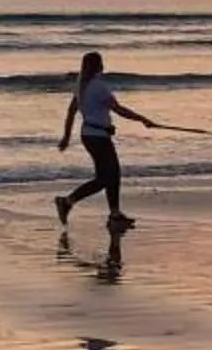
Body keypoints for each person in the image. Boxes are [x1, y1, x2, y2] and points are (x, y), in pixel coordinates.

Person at [57, 49, 156, 229]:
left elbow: (71, 112)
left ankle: (115, 214)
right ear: (99, 66)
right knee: (105, 178)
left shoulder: (81, 86)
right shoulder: (98, 87)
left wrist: (66, 137)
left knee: (113, 175)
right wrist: (143, 119)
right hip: (98, 137)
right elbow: (118, 109)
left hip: (90, 134)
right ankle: (67, 201)